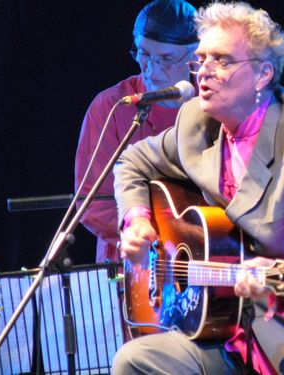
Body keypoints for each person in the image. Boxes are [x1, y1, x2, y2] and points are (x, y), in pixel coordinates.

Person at [112, 2, 284, 374]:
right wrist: (137, 220)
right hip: (231, 329)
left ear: (262, 75)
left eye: (222, 60)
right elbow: (131, 162)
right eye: (201, 59)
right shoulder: (197, 120)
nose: (204, 72)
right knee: (135, 361)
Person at [74, 0, 198, 263]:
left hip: (200, 253)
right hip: (131, 264)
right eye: (144, 53)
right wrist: (140, 239)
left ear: (195, 58)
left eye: (165, 58)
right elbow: (92, 201)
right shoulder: (111, 106)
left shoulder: (216, 105)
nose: (151, 68)